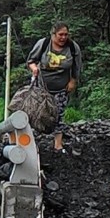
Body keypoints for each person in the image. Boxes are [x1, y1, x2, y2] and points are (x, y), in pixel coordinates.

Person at [27, 22, 82, 152]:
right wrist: (34, 68)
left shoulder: (73, 48)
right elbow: (31, 60)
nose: (63, 38)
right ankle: (32, 144)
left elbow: (77, 67)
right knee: (38, 114)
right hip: (42, 86)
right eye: (60, 35)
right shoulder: (44, 44)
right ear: (53, 34)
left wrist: (73, 81)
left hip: (62, 87)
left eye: (65, 35)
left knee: (58, 115)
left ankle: (58, 145)